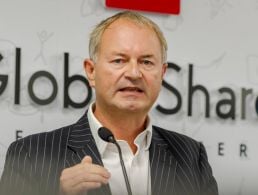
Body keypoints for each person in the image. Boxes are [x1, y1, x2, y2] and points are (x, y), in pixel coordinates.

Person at [0, 11, 218, 195]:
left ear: (162, 73)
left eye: (146, 62)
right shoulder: (30, 154)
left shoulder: (190, 155)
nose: (134, 73)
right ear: (91, 71)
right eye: (119, 60)